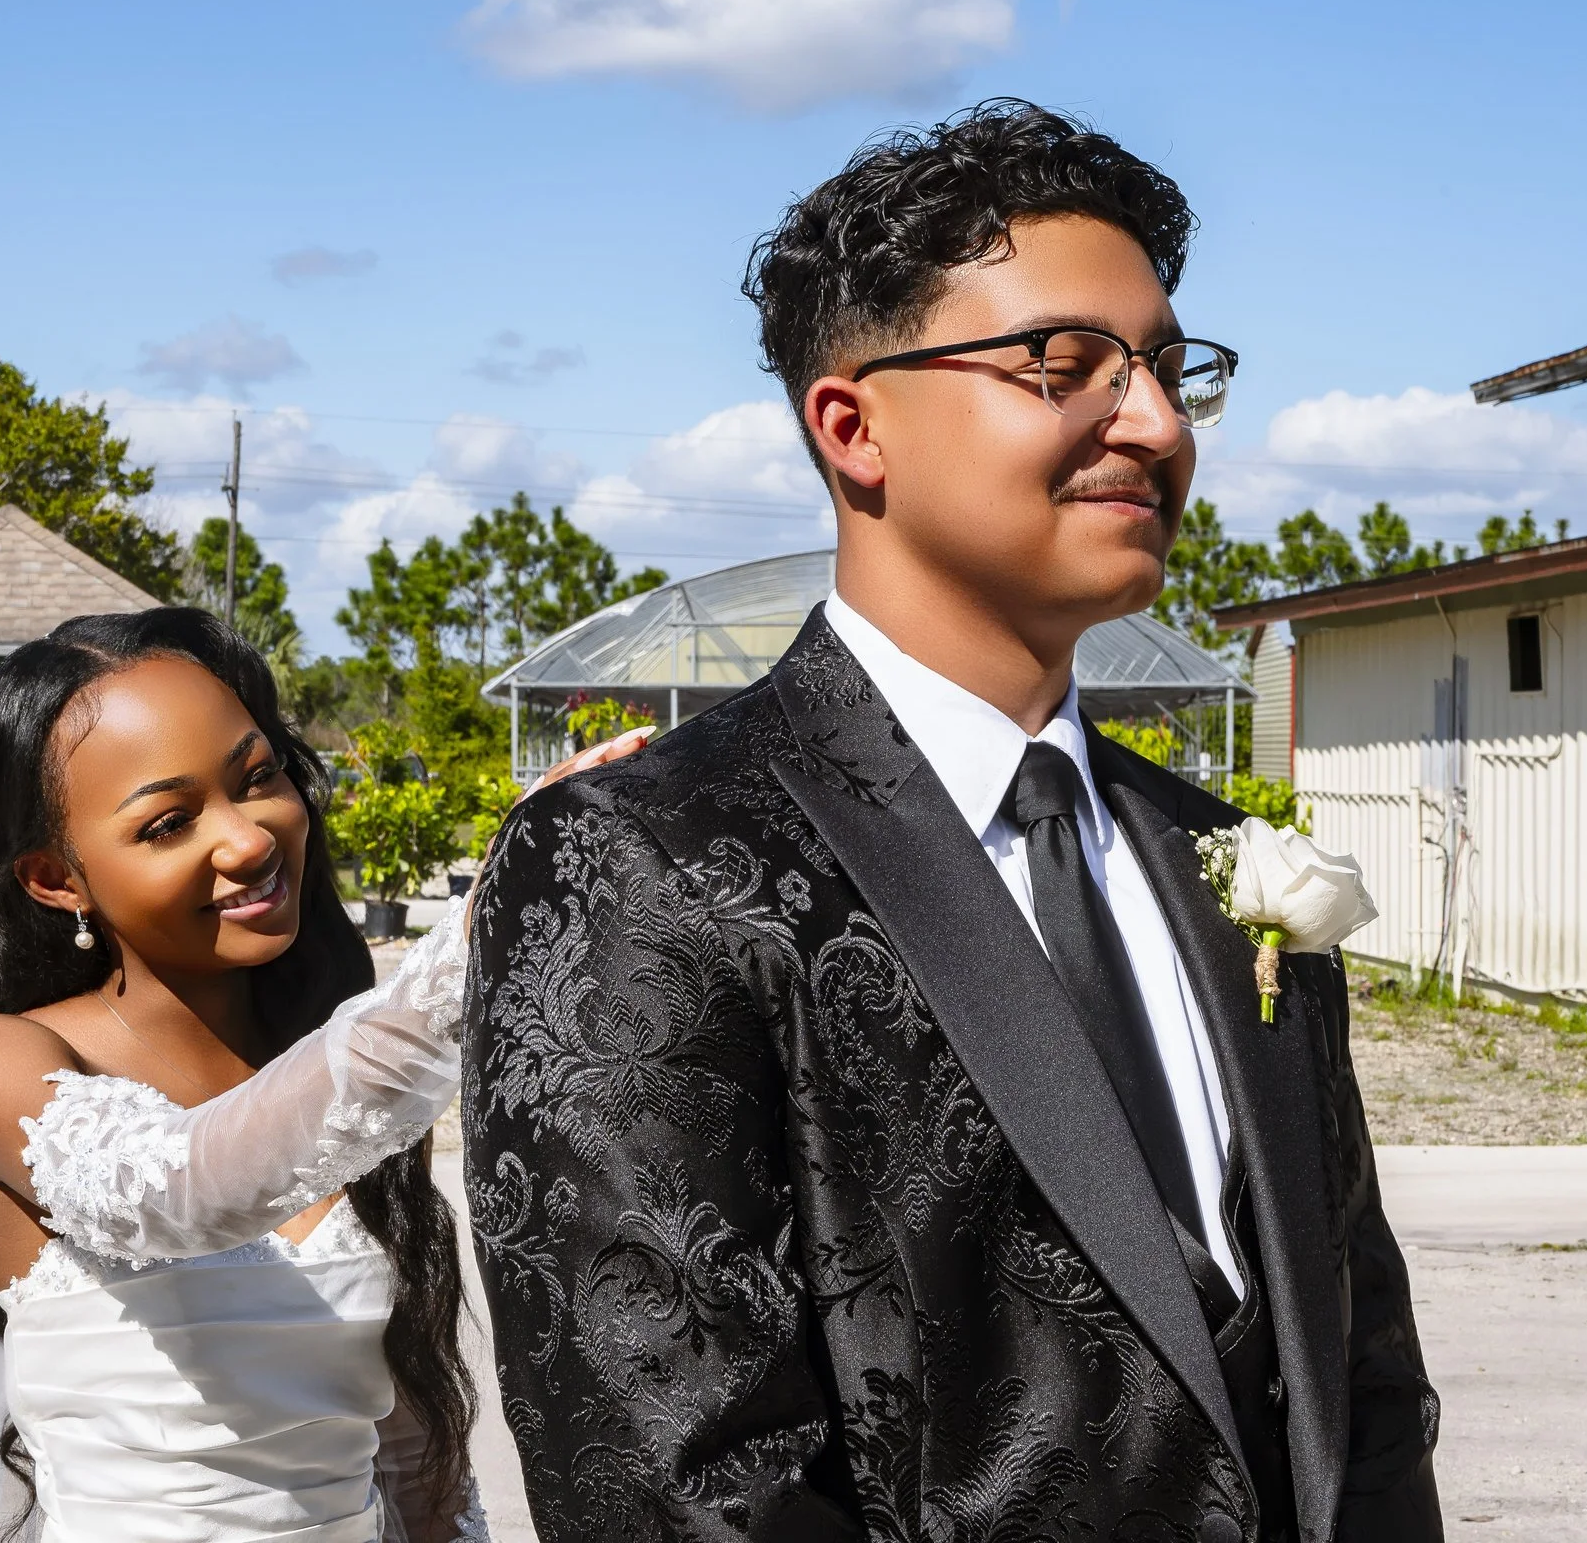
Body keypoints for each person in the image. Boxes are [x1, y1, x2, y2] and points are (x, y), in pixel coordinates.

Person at [461, 100, 1443, 1543]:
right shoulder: (645, 855)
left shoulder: (1213, 851)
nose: (1156, 424)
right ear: (854, 426)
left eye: (1172, 371)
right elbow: (678, 1481)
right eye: (1068, 366)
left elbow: (1361, 1367)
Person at [0, 607, 642, 1542]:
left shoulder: (342, 1085)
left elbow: (412, 1445)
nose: (249, 839)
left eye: (257, 778)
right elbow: (189, 1190)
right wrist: (475, 943)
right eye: (170, 822)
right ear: (55, 879)